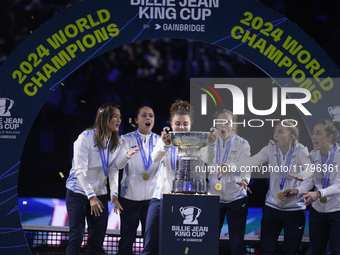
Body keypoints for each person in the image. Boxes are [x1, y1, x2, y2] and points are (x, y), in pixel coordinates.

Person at [141, 99, 218, 255]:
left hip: (187, 201)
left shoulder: (198, 141)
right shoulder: (163, 140)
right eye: (177, 123)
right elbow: (154, 158)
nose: (181, 127)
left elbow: (209, 160)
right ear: (170, 123)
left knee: (179, 248)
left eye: (185, 123)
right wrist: (165, 145)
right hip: (161, 199)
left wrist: (210, 144)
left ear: (190, 124)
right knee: (150, 247)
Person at [223, 120, 311, 255]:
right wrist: (232, 166)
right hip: (272, 208)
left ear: (291, 137)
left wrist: (300, 179)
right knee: (266, 250)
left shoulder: (301, 151)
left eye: (281, 132)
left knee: (291, 251)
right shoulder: (270, 149)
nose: (275, 134)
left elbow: (310, 170)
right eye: (275, 131)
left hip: (294, 210)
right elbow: (252, 161)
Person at [65, 102, 140, 255]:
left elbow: (113, 169)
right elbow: (80, 171)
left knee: (97, 240)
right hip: (77, 192)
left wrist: (113, 193)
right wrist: (91, 196)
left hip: (99, 194)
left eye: (120, 117)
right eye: (115, 117)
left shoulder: (115, 142)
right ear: (104, 118)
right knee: (77, 235)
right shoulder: (84, 139)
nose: (119, 120)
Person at [281, 119, 340, 255]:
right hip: (317, 213)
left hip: (337, 212)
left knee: (336, 251)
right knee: (316, 251)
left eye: (318, 133)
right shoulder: (313, 155)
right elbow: (310, 180)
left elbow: (338, 185)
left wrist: (318, 194)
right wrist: (297, 190)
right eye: (313, 133)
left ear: (330, 137)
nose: (313, 136)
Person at [118, 106, 161, 255]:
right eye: (144, 115)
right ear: (136, 120)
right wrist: (125, 156)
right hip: (129, 199)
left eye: (151, 115)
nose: (148, 118)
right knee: (126, 242)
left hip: (152, 201)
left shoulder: (161, 141)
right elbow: (117, 165)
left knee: (151, 243)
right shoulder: (124, 139)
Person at [208, 109, 251, 255]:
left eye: (227, 122)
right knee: (210, 240)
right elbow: (203, 163)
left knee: (237, 243)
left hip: (236, 198)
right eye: (220, 122)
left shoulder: (242, 144)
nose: (223, 126)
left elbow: (246, 166)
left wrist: (245, 180)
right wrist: (210, 146)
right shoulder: (209, 143)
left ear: (233, 125)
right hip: (214, 198)